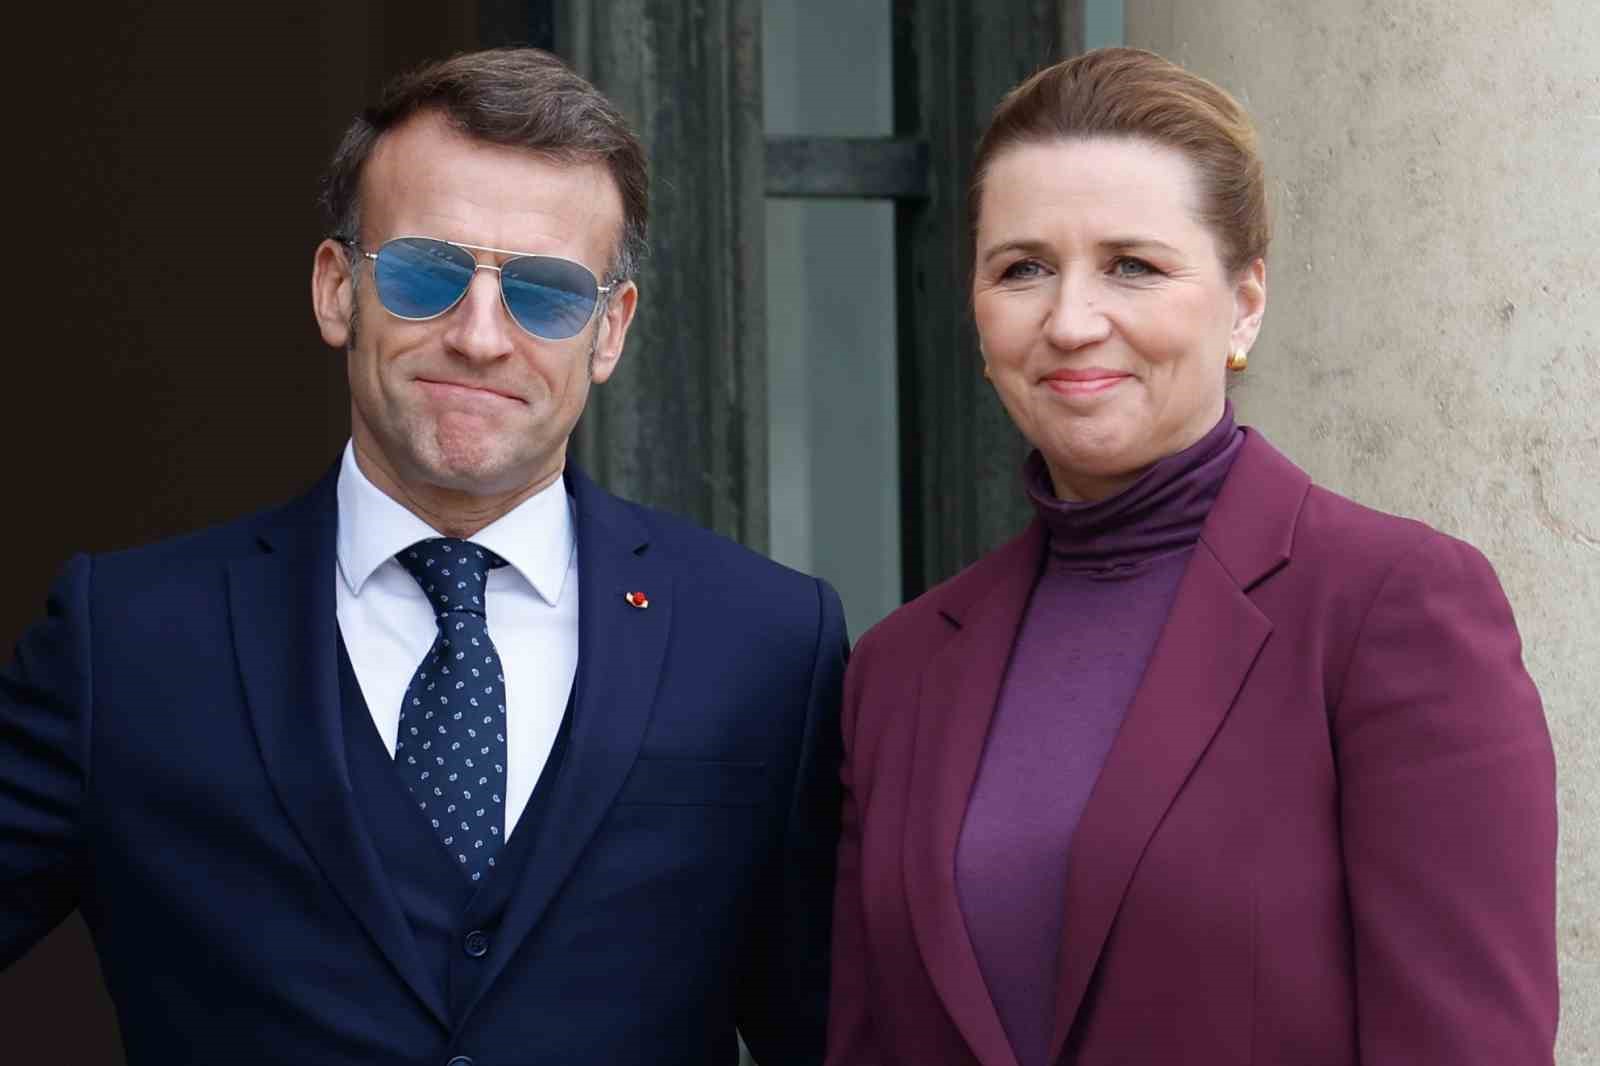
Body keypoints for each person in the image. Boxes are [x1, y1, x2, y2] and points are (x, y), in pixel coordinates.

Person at [0, 48, 844, 1066]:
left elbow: (833, 1035)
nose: (481, 337)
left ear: (610, 332)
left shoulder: (766, 642)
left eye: (546, 294)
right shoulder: (125, 642)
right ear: (335, 290)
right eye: (425, 273)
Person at [825, 47, 1557, 1066]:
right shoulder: (898, 670)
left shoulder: (1391, 608)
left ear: (1244, 303)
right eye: (1022, 268)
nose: (1071, 321)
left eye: (1133, 265)